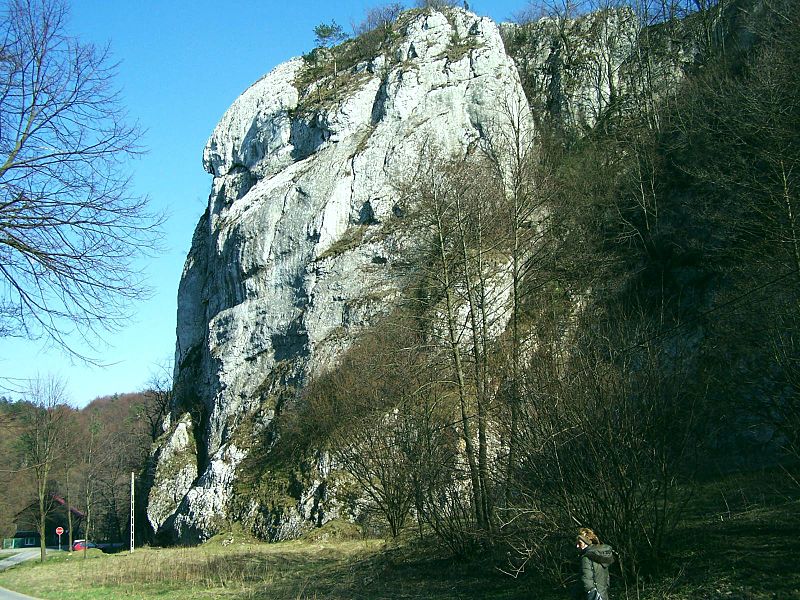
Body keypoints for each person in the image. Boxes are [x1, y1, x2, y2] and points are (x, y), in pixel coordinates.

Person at [575, 527, 614, 600]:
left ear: (587, 543)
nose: (577, 546)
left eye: (580, 543)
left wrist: (590, 592)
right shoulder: (600, 554)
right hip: (603, 594)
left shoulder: (586, 557)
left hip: (593, 596)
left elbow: (586, 579)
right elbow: (606, 577)